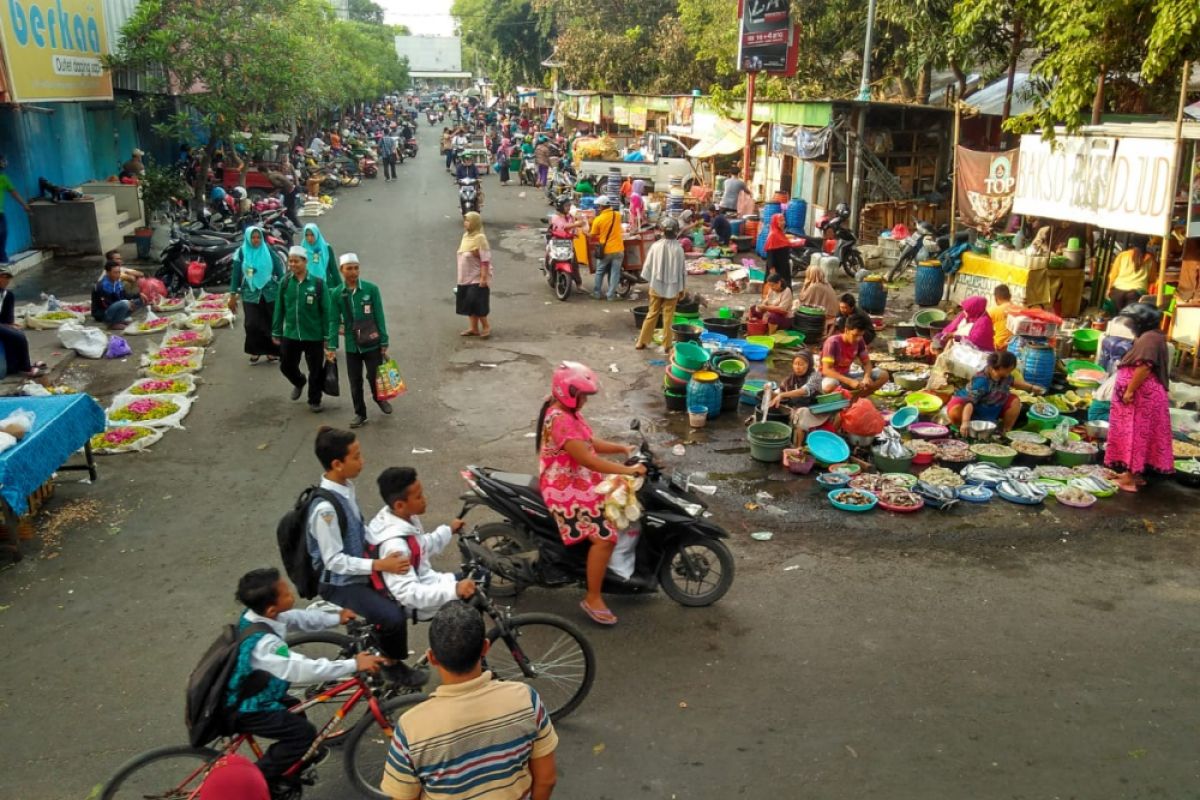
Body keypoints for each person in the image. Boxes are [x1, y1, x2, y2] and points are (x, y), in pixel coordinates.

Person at [227, 567, 385, 792]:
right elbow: (301, 669)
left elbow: (297, 618)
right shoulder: (265, 645)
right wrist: (353, 664)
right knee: (303, 734)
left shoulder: (257, 616)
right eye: (287, 593)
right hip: (249, 708)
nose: (292, 593)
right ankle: (255, 784)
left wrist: (335, 618)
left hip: (256, 692)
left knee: (296, 711)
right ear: (272, 609)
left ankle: (291, 765)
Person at [380, 601, 559, 800]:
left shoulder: (411, 728)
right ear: (485, 647)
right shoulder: (526, 699)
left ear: (432, 657)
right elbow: (546, 779)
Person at [308, 427, 427, 686]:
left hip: (357, 567)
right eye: (357, 457)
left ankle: (376, 643)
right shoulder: (325, 510)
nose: (363, 462)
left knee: (402, 590)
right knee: (393, 616)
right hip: (338, 583)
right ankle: (393, 667)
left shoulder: (345, 488)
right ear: (337, 464)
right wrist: (381, 564)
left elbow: (358, 529)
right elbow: (334, 561)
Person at [537, 362, 645, 625]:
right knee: (605, 537)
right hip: (563, 485)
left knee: (617, 497)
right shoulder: (561, 419)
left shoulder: (568, 412)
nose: (585, 400)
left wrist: (622, 448)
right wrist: (628, 470)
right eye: (582, 395)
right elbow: (590, 461)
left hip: (576, 475)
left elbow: (589, 443)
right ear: (569, 393)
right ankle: (593, 597)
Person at [366, 467, 476, 620]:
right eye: (418, 497)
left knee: (479, 578)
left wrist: (448, 530)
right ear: (399, 505)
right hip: (420, 603)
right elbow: (409, 594)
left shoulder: (404, 518)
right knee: (476, 589)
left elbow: (421, 547)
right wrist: (454, 590)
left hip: (429, 581)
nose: (424, 499)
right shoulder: (395, 547)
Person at [1105, 303, 1174, 492]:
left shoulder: (1150, 338)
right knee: (1138, 435)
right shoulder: (1153, 336)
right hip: (1144, 396)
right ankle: (1134, 473)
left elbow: (1144, 366)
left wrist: (1129, 391)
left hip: (1142, 396)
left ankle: (1128, 479)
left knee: (1133, 434)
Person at [326, 253, 391, 429]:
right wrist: (331, 345)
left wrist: (384, 341)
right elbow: (333, 320)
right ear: (341, 270)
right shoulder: (337, 294)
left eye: (356, 268)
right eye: (349, 268)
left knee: (373, 376)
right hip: (351, 345)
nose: (353, 272)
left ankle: (379, 399)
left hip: (372, 342)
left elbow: (379, 315)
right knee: (355, 381)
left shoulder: (371, 290)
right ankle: (360, 414)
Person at [272, 247, 328, 412]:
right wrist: (276, 330)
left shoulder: (318, 284)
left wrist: (328, 335)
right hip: (291, 333)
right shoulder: (285, 282)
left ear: (305, 262)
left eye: (296, 261)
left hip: (314, 334)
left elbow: (326, 310)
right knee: (286, 365)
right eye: (290, 261)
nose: (293, 264)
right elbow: (279, 308)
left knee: (316, 370)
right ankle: (299, 381)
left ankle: (314, 400)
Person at [946, 350, 1044, 433]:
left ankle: (1006, 432)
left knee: (1015, 401)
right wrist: (965, 422)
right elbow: (970, 402)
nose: (1010, 372)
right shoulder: (982, 380)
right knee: (957, 410)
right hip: (968, 407)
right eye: (1009, 370)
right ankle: (963, 429)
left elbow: (1013, 382)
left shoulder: (1004, 376)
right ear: (999, 368)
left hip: (991, 406)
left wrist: (1032, 388)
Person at [228, 228, 284, 364]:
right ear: (248, 238)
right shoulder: (241, 253)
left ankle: (272, 351)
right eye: (253, 237)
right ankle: (255, 351)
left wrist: (285, 289)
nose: (256, 240)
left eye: (258, 237)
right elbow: (235, 275)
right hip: (250, 293)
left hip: (270, 291)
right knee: (251, 323)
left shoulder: (268, 251)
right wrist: (233, 295)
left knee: (270, 321)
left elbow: (279, 271)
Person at [635, 217, 688, 352]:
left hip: (656, 286)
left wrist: (652, 280)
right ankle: (666, 344)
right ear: (676, 231)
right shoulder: (679, 249)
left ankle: (641, 342)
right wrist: (682, 289)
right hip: (673, 287)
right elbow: (682, 271)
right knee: (668, 316)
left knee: (652, 313)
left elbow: (647, 267)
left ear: (662, 231)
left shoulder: (655, 246)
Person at [770, 352, 831, 446]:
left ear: (809, 364)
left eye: (801, 364)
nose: (798, 367)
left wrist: (781, 395)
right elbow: (780, 392)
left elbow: (805, 391)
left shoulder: (816, 376)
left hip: (814, 411)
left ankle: (798, 447)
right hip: (795, 409)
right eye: (795, 364)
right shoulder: (790, 379)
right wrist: (769, 392)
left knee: (801, 412)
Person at [822, 315, 889, 395]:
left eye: (861, 335)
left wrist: (866, 377)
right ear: (846, 330)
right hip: (832, 377)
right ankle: (851, 397)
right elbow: (826, 370)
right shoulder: (832, 342)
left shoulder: (860, 341)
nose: (858, 338)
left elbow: (867, 362)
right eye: (855, 335)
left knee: (883, 375)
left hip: (847, 375)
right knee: (828, 387)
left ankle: (860, 396)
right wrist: (850, 382)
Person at [0, 267, 45, 376]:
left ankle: (15, 366)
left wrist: (10, 324)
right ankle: (26, 368)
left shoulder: (7, 295)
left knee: (14, 333)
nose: (6, 280)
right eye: (3, 277)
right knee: (18, 336)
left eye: (8, 278)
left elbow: (7, 317)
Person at [456, 211, 492, 339]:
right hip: (465, 276)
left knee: (476, 302)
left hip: (477, 276)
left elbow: (485, 260)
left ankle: (486, 326)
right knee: (468, 303)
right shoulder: (466, 236)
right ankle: (474, 328)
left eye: (468, 220)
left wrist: (483, 277)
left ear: (475, 223)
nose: (465, 223)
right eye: (465, 220)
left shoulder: (480, 238)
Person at [91, 261, 143, 329]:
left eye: (119, 272)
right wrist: (126, 303)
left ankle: (120, 319)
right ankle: (112, 324)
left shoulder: (117, 283)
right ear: (108, 273)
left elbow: (125, 296)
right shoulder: (102, 286)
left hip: (116, 307)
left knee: (141, 300)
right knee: (125, 303)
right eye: (115, 273)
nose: (118, 275)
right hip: (103, 313)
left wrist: (139, 295)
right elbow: (106, 305)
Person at [590, 195, 624, 301]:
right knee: (615, 273)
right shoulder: (617, 215)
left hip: (606, 250)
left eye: (598, 206)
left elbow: (593, 234)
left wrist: (585, 231)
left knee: (600, 271)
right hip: (618, 249)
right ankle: (611, 295)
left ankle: (597, 293)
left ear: (601, 206)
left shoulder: (598, 219)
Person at [1107, 235, 1153, 312]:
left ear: (1133, 243)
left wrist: (1109, 289)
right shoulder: (1150, 259)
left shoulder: (1123, 255)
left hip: (1117, 292)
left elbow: (1112, 275)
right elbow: (1152, 279)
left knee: (1115, 319)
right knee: (1129, 320)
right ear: (1146, 243)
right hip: (1136, 294)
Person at [0, 156, 31, 264]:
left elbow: (14, 193)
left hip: (0, 212)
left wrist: (24, 205)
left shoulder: (3, 178)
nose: (4, 163)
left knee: (3, 234)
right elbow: (14, 193)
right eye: (2, 161)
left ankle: (2, 259)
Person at [796, 265, 839, 337]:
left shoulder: (814, 286)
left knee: (796, 305)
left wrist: (805, 285)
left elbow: (802, 299)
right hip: (833, 311)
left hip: (827, 314)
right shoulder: (827, 283)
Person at [301, 223, 340, 288]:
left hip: (326, 284)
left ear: (317, 234)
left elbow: (333, 269)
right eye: (306, 235)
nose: (309, 238)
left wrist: (341, 287)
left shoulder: (326, 248)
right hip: (308, 285)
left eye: (312, 235)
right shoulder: (302, 248)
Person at [763, 213, 792, 288]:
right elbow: (770, 256)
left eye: (784, 220)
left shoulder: (780, 233)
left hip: (784, 266)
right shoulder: (773, 235)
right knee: (776, 288)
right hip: (777, 269)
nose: (784, 222)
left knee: (785, 287)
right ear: (775, 222)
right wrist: (772, 271)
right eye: (781, 221)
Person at [988, 284, 1017, 351]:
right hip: (1014, 346)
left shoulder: (993, 311)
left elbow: (984, 329)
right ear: (1010, 297)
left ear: (996, 298)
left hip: (998, 346)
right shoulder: (1018, 310)